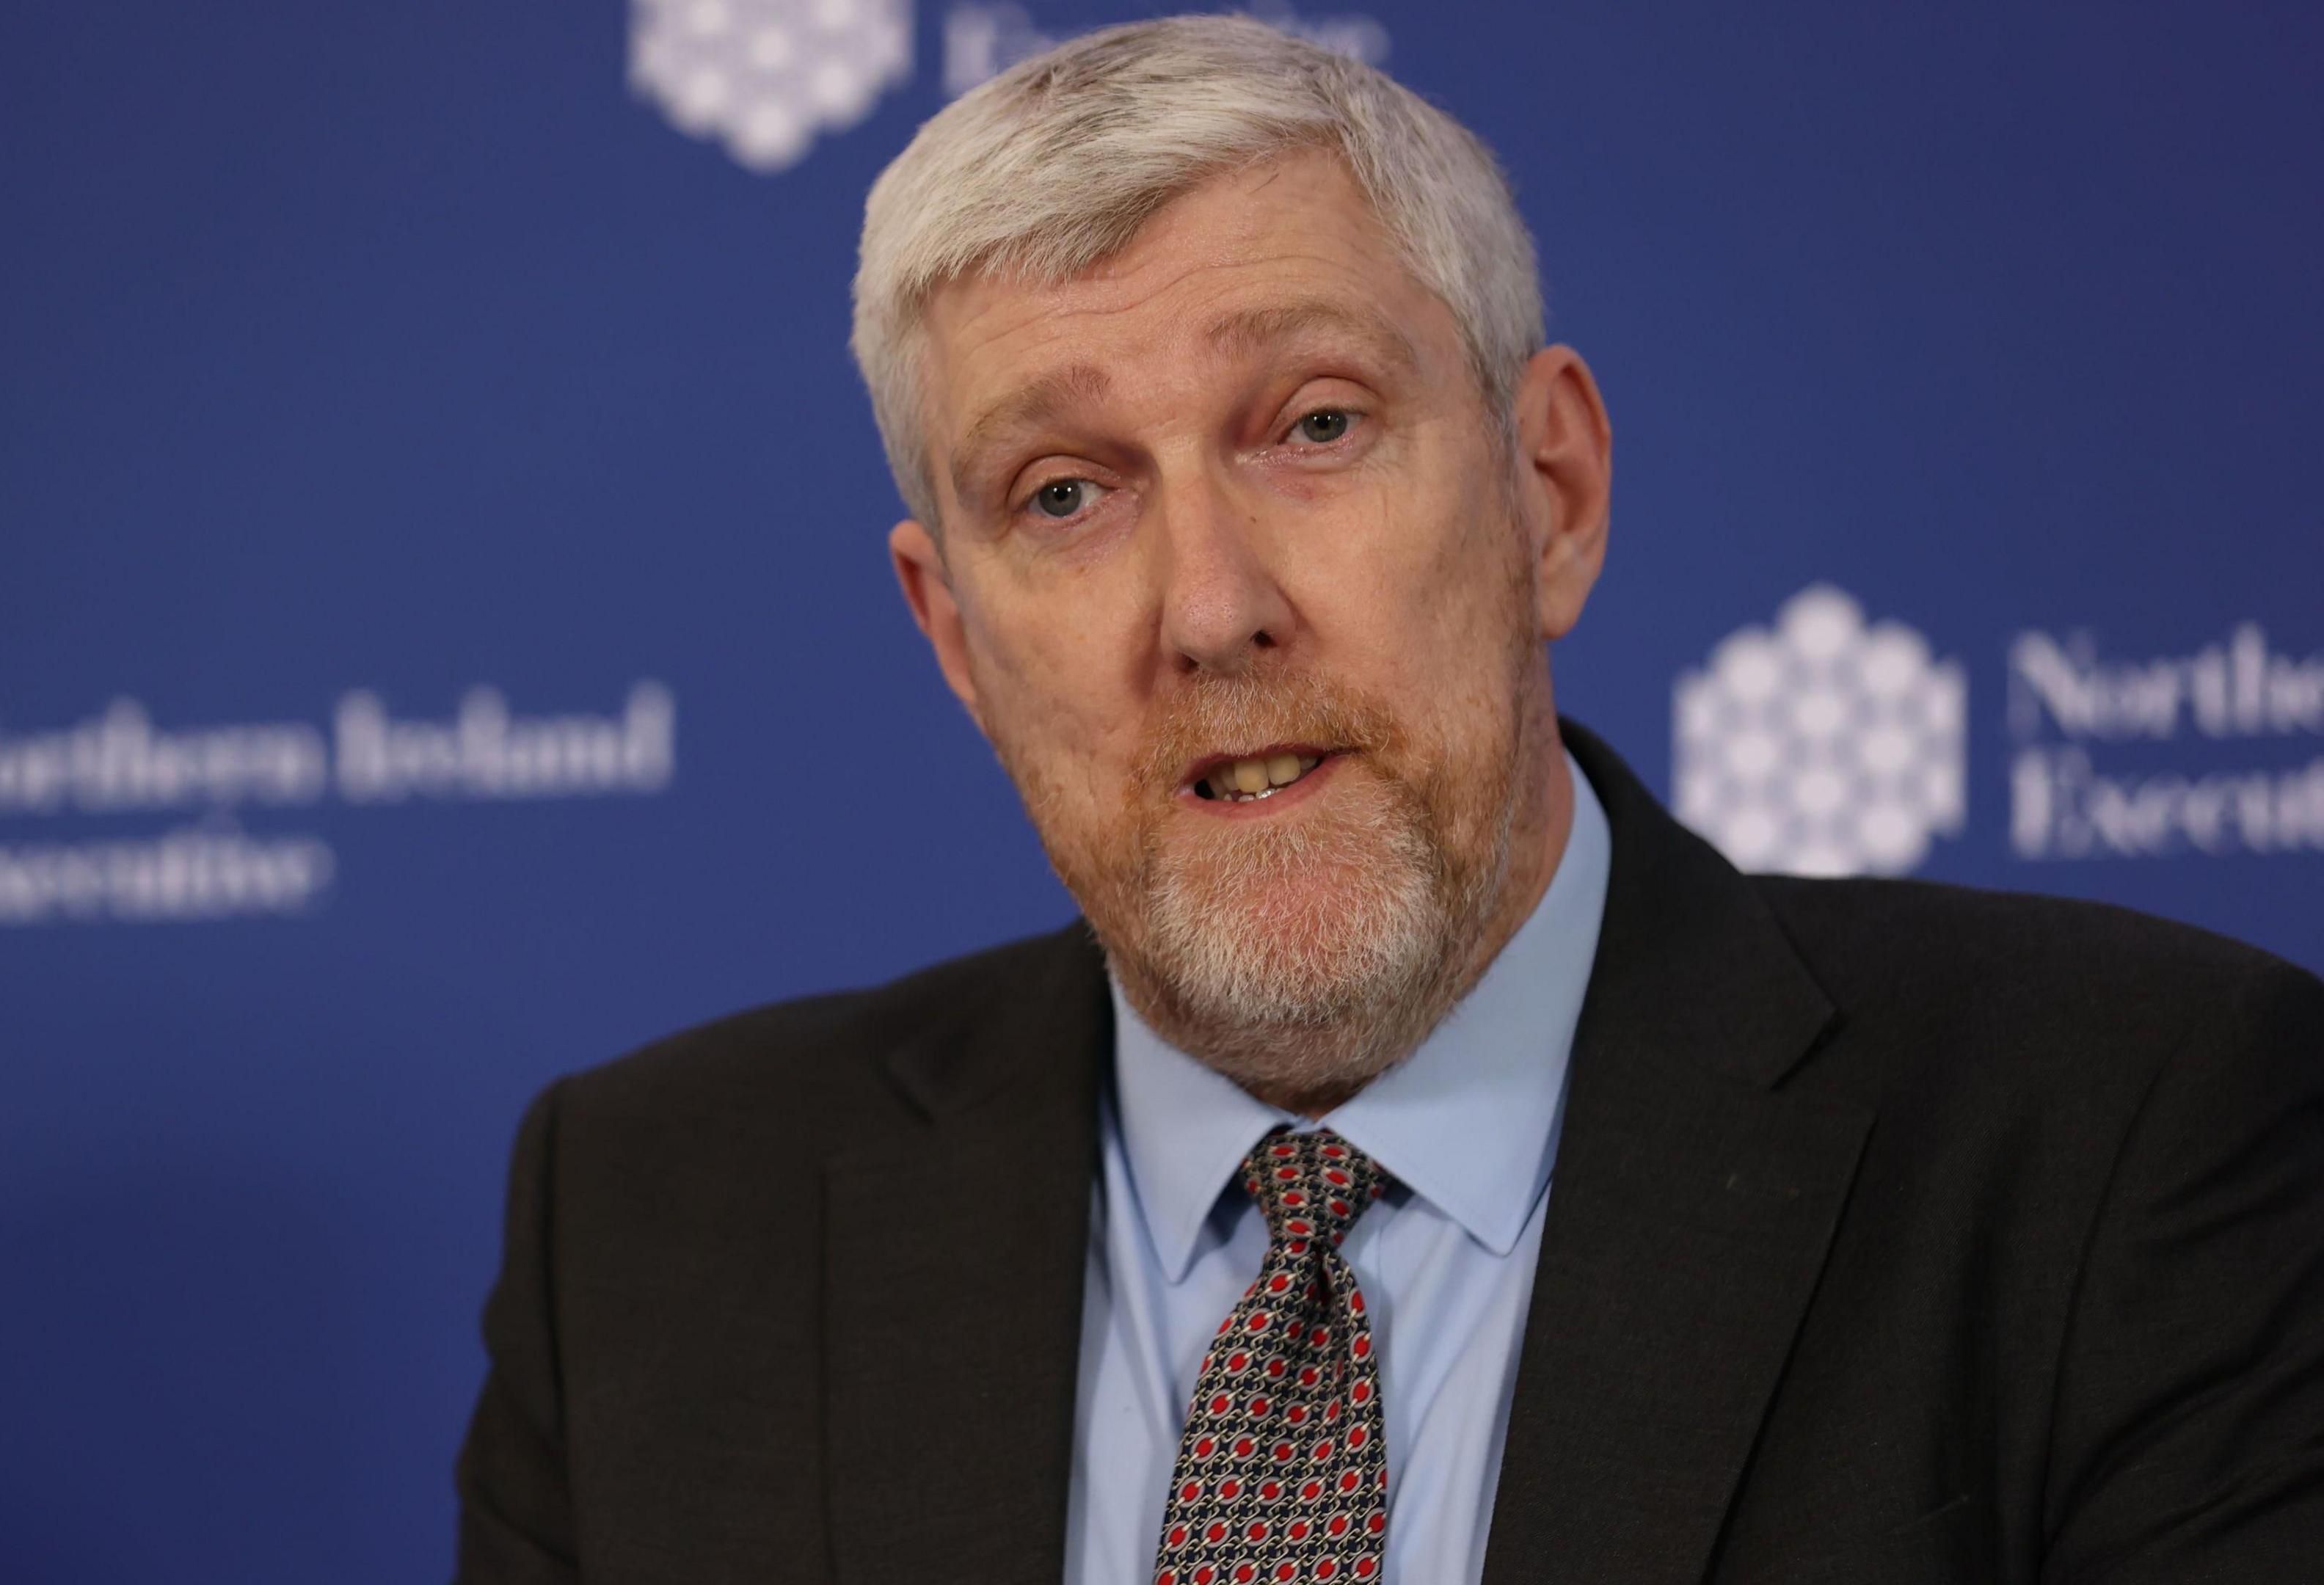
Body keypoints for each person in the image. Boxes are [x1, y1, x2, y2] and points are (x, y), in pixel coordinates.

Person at [455, 17, 2324, 1584]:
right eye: (1062, 493)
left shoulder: (2128, 1136)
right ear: (953, 637)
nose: (1210, 607)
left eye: (1317, 424)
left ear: (1551, 492)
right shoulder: (642, 1235)